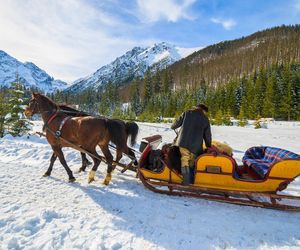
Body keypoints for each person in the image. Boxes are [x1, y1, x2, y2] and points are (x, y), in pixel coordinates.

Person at [171, 104, 212, 185]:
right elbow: (207, 135)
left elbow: (175, 124)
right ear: (203, 110)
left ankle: (186, 181)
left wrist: (173, 126)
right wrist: (208, 145)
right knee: (192, 162)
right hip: (196, 147)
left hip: (183, 142)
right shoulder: (205, 119)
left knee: (184, 159)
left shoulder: (187, 113)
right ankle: (192, 180)